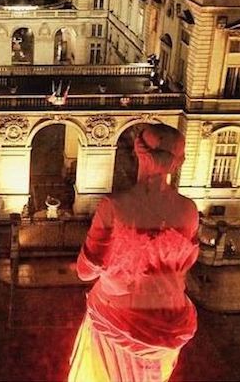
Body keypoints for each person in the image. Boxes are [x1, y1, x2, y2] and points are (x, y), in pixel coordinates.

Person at [68, 123, 199, 382]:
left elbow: (86, 271)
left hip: (117, 318)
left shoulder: (115, 206)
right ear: (178, 162)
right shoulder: (189, 210)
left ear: (139, 151)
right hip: (169, 321)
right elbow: (182, 267)